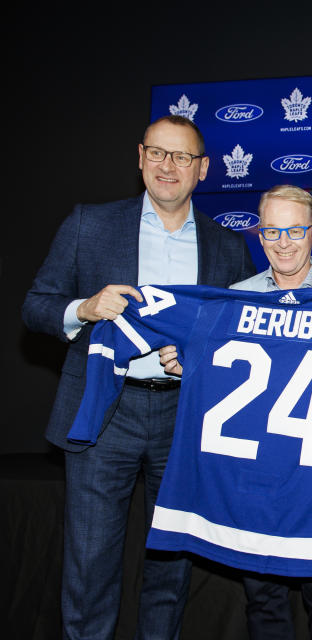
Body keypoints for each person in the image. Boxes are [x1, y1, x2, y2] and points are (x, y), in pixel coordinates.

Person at [22, 114, 256, 639]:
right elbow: (35, 306)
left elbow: (241, 337)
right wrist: (84, 307)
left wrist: (198, 356)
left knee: (170, 567)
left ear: (203, 169)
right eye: (157, 153)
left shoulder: (227, 247)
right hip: (103, 412)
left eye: (181, 157)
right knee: (89, 563)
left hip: (185, 416)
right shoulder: (89, 223)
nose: (167, 166)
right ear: (140, 157)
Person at [159, 184, 312, 640]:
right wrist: (186, 364)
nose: (283, 242)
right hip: (254, 482)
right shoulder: (232, 300)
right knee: (263, 600)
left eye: (294, 230)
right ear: (259, 233)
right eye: (272, 231)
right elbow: (211, 374)